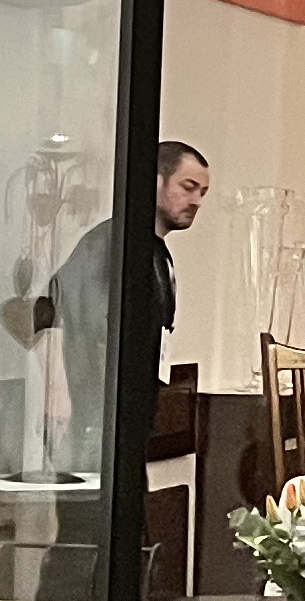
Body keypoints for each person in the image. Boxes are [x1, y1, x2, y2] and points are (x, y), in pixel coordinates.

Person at [40, 139, 206, 462]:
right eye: (188, 187)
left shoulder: (159, 255)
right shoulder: (109, 244)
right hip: (93, 421)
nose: (197, 201)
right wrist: (57, 393)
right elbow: (53, 310)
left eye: (203, 192)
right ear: (155, 181)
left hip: (132, 421)